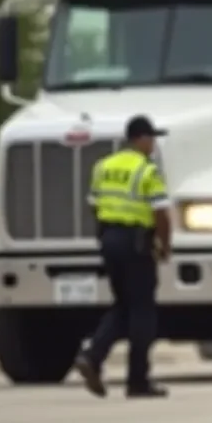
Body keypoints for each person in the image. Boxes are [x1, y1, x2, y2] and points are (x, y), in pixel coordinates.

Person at [74, 115, 172, 399]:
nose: (153, 144)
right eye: (150, 138)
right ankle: (137, 381)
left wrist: (107, 234)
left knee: (122, 305)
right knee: (143, 310)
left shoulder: (103, 166)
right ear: (139, 139)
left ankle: (92, 356)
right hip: (137, 243)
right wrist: (164, 246)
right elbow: (161, 213)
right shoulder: (147, 170)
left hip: (109, 240)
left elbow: (94, 204)